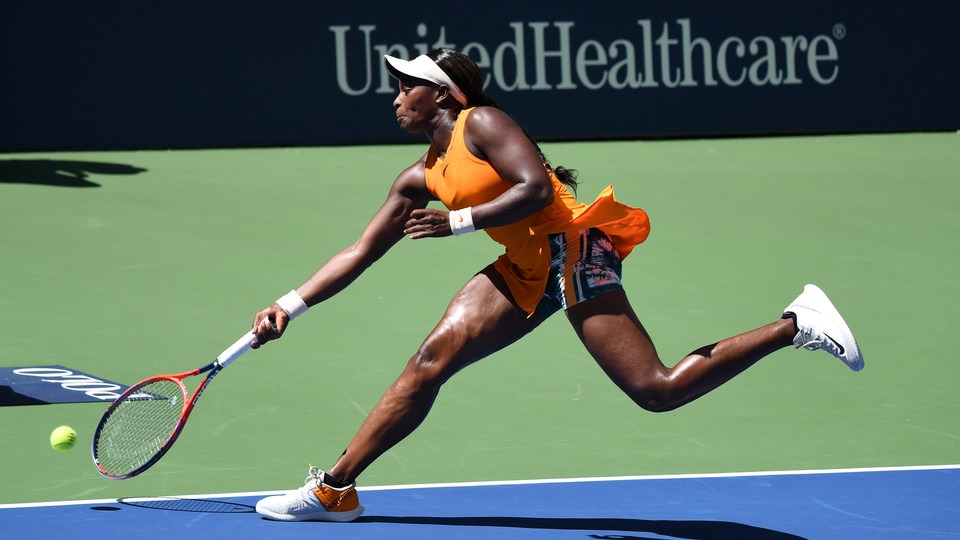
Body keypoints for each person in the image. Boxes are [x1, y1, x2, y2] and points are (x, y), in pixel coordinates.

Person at [250, 48, 863, 522]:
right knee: (428, 362)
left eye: (406, 85)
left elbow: (536, 191)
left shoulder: (481, 122)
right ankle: (336, 490)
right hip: (524, 269)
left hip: (572, 247)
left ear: (440, 93)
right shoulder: (420, 175)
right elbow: (359, 253)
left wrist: (459, 221)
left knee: (656, 389)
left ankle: (796, 324)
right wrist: (288, 305)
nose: (396, 97)